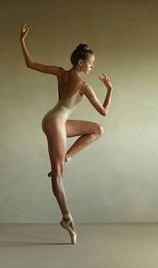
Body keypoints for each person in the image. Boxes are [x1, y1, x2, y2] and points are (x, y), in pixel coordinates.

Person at [20, 23, 114, 244]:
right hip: (56, 122)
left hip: (56, 120)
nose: (92, 67)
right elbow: (104, 111)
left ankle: (67, 157)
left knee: (97, 130)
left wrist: (22, 41)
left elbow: (29, 63)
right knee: (58, 173)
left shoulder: (60, 72)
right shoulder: (83, 86)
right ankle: (66, 218)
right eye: (91, 63)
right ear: (80, 62)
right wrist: (110, 90)